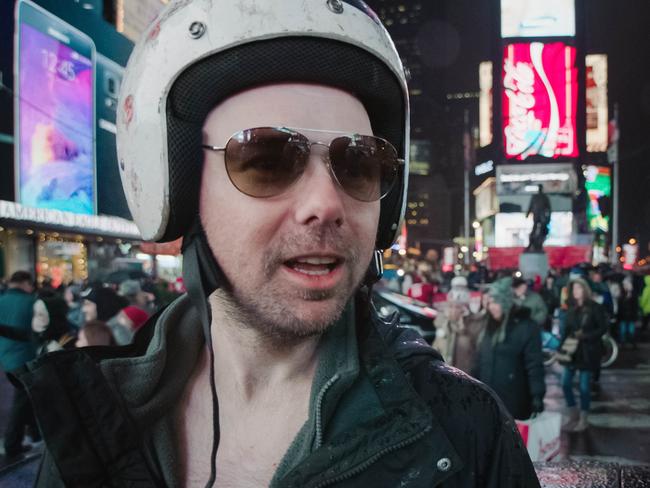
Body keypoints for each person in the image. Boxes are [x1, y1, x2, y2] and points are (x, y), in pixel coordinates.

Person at [13, 2, 540, 486]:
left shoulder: (463, 430)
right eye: (266, 159)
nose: (326, 203)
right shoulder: (89, 422)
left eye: (358, 163)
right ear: (176, 191)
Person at [472, 278, 546, 421]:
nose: (492, 307)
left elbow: (534, 364)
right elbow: (480, 358)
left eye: (496, 302)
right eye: (490, 302)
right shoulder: (489, 325)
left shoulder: (526, 327)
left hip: (513, 399)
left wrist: (537, 395)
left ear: (506, 302)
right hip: (487, 396)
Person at [558, 278, 609, 432]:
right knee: (565, 383)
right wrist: (562, 347)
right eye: (574, 289)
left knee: (584, 387)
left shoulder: (595, 307)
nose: (576, 292)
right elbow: (566, 329)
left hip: (588, 351)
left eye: (579, 289)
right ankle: (573, 414)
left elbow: (602, 328)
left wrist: (586, 336)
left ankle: (583, 418)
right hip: (572, 351)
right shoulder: (571, 308)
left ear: (585, 290)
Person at [0, 271, 39, 459]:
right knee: (22, 400)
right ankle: (12, 443)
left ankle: (34, 432)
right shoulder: (31, 302)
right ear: (25, 283)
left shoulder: (1, 299)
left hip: (5, 356)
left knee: (26, 397)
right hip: (25, 356)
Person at [433, 277, 486, 373]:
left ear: (464, 309)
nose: (453, 310)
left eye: (457, 307)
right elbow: (436, 348)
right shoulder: (443, 323)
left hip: (465, 377)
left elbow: (476, 354)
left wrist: (463, 331)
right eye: (450, 306)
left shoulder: (474, 324)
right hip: (443, 375)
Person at [618, 277, 638, 347]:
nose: (625, 286)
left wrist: (630, 294)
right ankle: (623, 342)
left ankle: (633, 343)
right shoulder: (621, 294)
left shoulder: (634, 294)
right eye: (624, 284)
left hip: (631, 316)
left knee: (631, 330)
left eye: (627, 284)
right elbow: (620, 305)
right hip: (623, 316)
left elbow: (635, 306)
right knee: (623, 330)